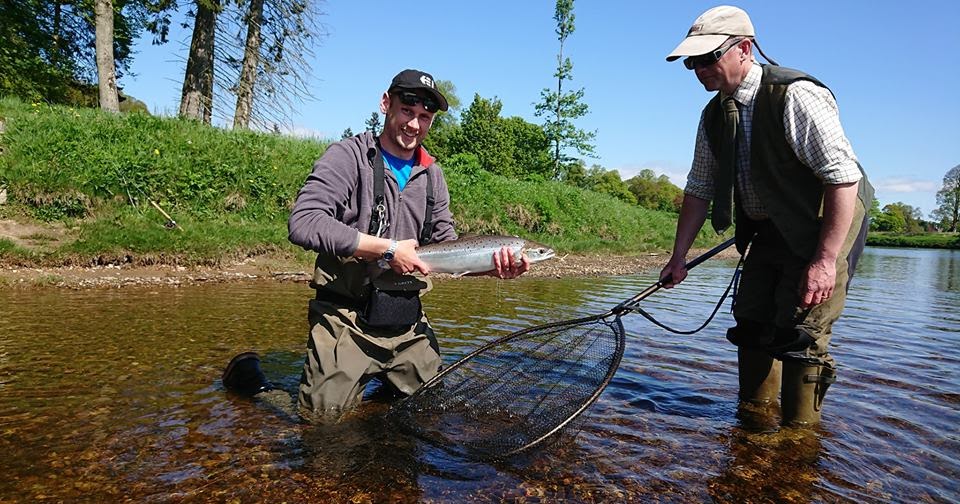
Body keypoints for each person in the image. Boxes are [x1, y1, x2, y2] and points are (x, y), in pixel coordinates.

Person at [223, 69, 529, 420]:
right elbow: (304, 222)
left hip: (408, 323)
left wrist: (493, 267)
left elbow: (447, 251)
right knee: (321, 424)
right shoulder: (347, 156)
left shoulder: (433, 175)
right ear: (387, 104)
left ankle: (384, 385)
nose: (414, 125)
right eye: (407, 112)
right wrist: (386, 249)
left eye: (424, 117)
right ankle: (254, 383)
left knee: (429, 411)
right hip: (346, 319)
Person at [660, 6, 873, 426]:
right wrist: (678, 257)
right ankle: (755, 424)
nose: (698, 69)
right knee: (752, 322)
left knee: (800, 331)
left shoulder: (795, 95)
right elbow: (699, 189)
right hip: (766, 227)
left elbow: (843, 179)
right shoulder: (712, 117)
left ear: (744, 48)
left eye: (707, 58)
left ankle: (798, 440)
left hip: (822, 223)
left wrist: (824, 260)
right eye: (691, 62)